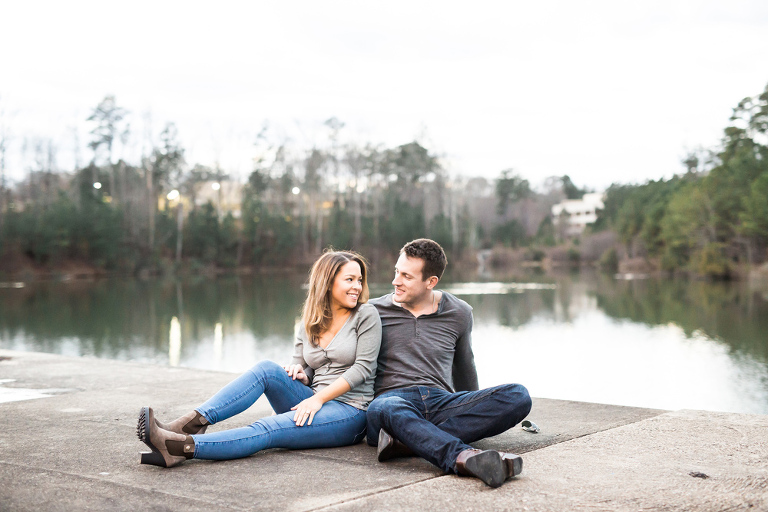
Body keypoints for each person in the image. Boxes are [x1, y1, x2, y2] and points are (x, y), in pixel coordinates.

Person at [137, 250, 382, 468]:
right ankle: (193, 422)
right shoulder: (311, 319)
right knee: (266, 369)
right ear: (328, 283)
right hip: (310, 402)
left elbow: (363, 368)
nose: (357, 287)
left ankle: (179, 447)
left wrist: (317, 399)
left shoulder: (365, 314)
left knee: (268, 428)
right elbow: (305, 367)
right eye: (349, 279)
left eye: (359, 280)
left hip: (349, 412)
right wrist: (302, 375)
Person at [366, 238, 532, 488]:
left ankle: (405, 443)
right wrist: (306, 372)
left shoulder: (459, 312)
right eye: (396, 272)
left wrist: (475, 408)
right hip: (391, 401)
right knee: (388, 407)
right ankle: (462, 457)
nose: (395, 281)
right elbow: (340, 354)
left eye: (407, 277)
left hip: (440, 401)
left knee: (518, 395)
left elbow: (466, 368)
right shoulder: (371, 311)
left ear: (430, 282)